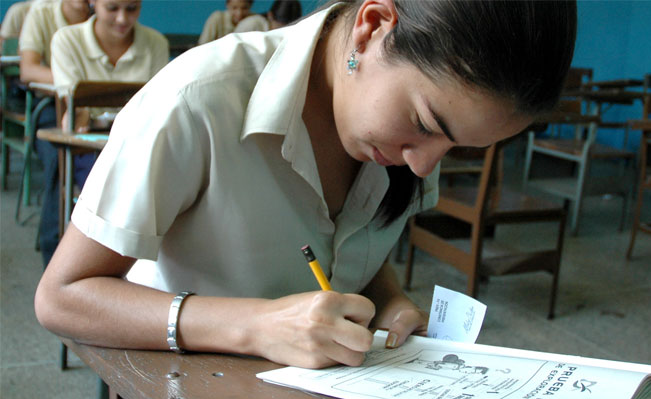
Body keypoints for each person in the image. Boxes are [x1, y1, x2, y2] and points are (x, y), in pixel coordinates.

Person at [36, 0, 576, 377]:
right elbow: (62, 297)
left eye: (456, 148)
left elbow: (349, 243)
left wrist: (389, 301)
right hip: (189, 388)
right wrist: (256, 326)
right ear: (372, 27)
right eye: (426, 122)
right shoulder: (198, 100)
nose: (424, 165)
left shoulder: (398, 139)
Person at [18, 0, 90, 268]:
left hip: (97, 107)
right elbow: (28, 70)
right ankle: (54, 252)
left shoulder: (110, 12)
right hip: (51, 104)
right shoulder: (43, 12)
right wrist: (72, 79)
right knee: (61, 157)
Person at [50, 0, 169, 133]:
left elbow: (156, 106)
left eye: (132, 8)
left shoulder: (156, 43)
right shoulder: (67, 40)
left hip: (139, 137)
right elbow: (75, 104)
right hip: (89, 139)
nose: (122, 19)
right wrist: (80, 115)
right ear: (93, 2)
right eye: (112, 8)